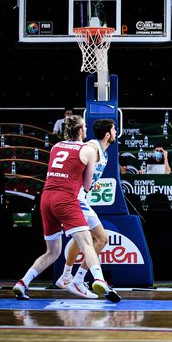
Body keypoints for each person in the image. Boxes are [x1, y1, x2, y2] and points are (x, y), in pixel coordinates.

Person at [12, 115, 120, 302]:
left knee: (57, 250)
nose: (86, 131)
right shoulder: (90, 148)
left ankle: (24, 283)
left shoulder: (56, 146)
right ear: (80, 131)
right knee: (87, 242)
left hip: (47, 197)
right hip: (71, 198)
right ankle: (92, 279)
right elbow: (86, 185)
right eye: (84, 128)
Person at [54, 118, 115, 298]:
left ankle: (67, 276)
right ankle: (77, 280)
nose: (116, 133)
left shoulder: (104, 151)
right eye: (114, 130)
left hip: (82, 197)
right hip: (75, 197)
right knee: (101, 239)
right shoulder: (91, 146)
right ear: (107, 134)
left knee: (81, 237)